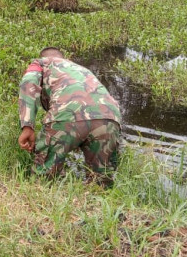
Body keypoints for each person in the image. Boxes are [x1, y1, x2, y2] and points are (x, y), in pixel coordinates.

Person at [17, 47, 122, 184]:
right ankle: (95, 201)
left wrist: (27, 126)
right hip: (109, 117)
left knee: (44, 176)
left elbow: (28, 83)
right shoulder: (81, 69)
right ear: (65, 59)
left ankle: (42, 197)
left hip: (67, 114)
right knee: (101, 181)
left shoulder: (41, 63)